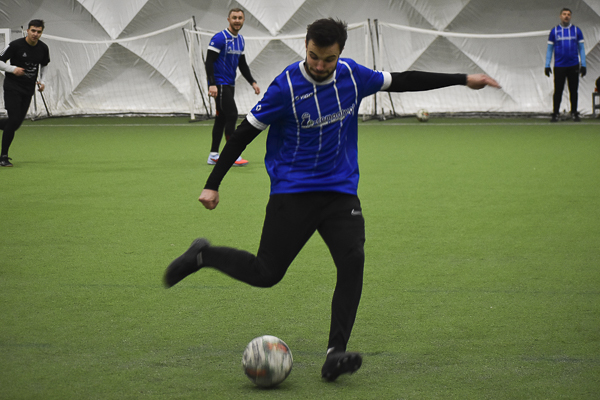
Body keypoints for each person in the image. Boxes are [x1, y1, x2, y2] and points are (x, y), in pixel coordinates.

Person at [164, 18, 500, 381]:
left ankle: (334, 354)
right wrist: (212, 184)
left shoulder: (353, 76)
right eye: (314, 56)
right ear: (305, 46)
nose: (320, 65)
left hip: (340, 191)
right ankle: (203, 255)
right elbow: (244, 134)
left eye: (329, 59)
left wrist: (463, 79)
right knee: (266, 274)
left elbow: (403, 79)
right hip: (292, 192)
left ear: (340, 53)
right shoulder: (285, 87)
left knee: (353, 259)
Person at [205, 8, 260, 166]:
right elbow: (209, 61)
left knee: (221, 119)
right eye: (234, 17)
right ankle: (232, 155)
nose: (237, 20)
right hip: (220, 84)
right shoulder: (220, 38)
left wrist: (252, 82)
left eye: (240, 18)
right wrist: (212, 84)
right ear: (228, 19)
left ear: (243, 20)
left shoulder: (240, 40)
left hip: (230, 84)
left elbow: (242, 64)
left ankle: (213, 155)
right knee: (232, 115)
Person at [0, 19, 50, 167]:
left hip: (28, 90)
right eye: (33, 31)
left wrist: (42, 81)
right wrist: (12, 69)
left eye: (39, 32)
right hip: (12, 87)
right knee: (14, 120)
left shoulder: (43, 48)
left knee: (15, 124)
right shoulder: (15, 45)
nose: (35, 34)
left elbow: (44, 65)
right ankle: (3, 157)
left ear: (41, 33)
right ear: (27, 31)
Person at [545, 8, 586, 122]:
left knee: (574, 90)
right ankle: (555, 113)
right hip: (559, 66)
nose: (566, 16)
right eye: (564, 14)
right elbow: (550, 49)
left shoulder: (577, 30)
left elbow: (582, 49)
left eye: (568, 14)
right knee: (558, 90)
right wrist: (547, 65)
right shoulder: (554, 31)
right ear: (560, 16)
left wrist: (583, 65)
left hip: (573, 65)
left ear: (571, 17)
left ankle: (574, 113)